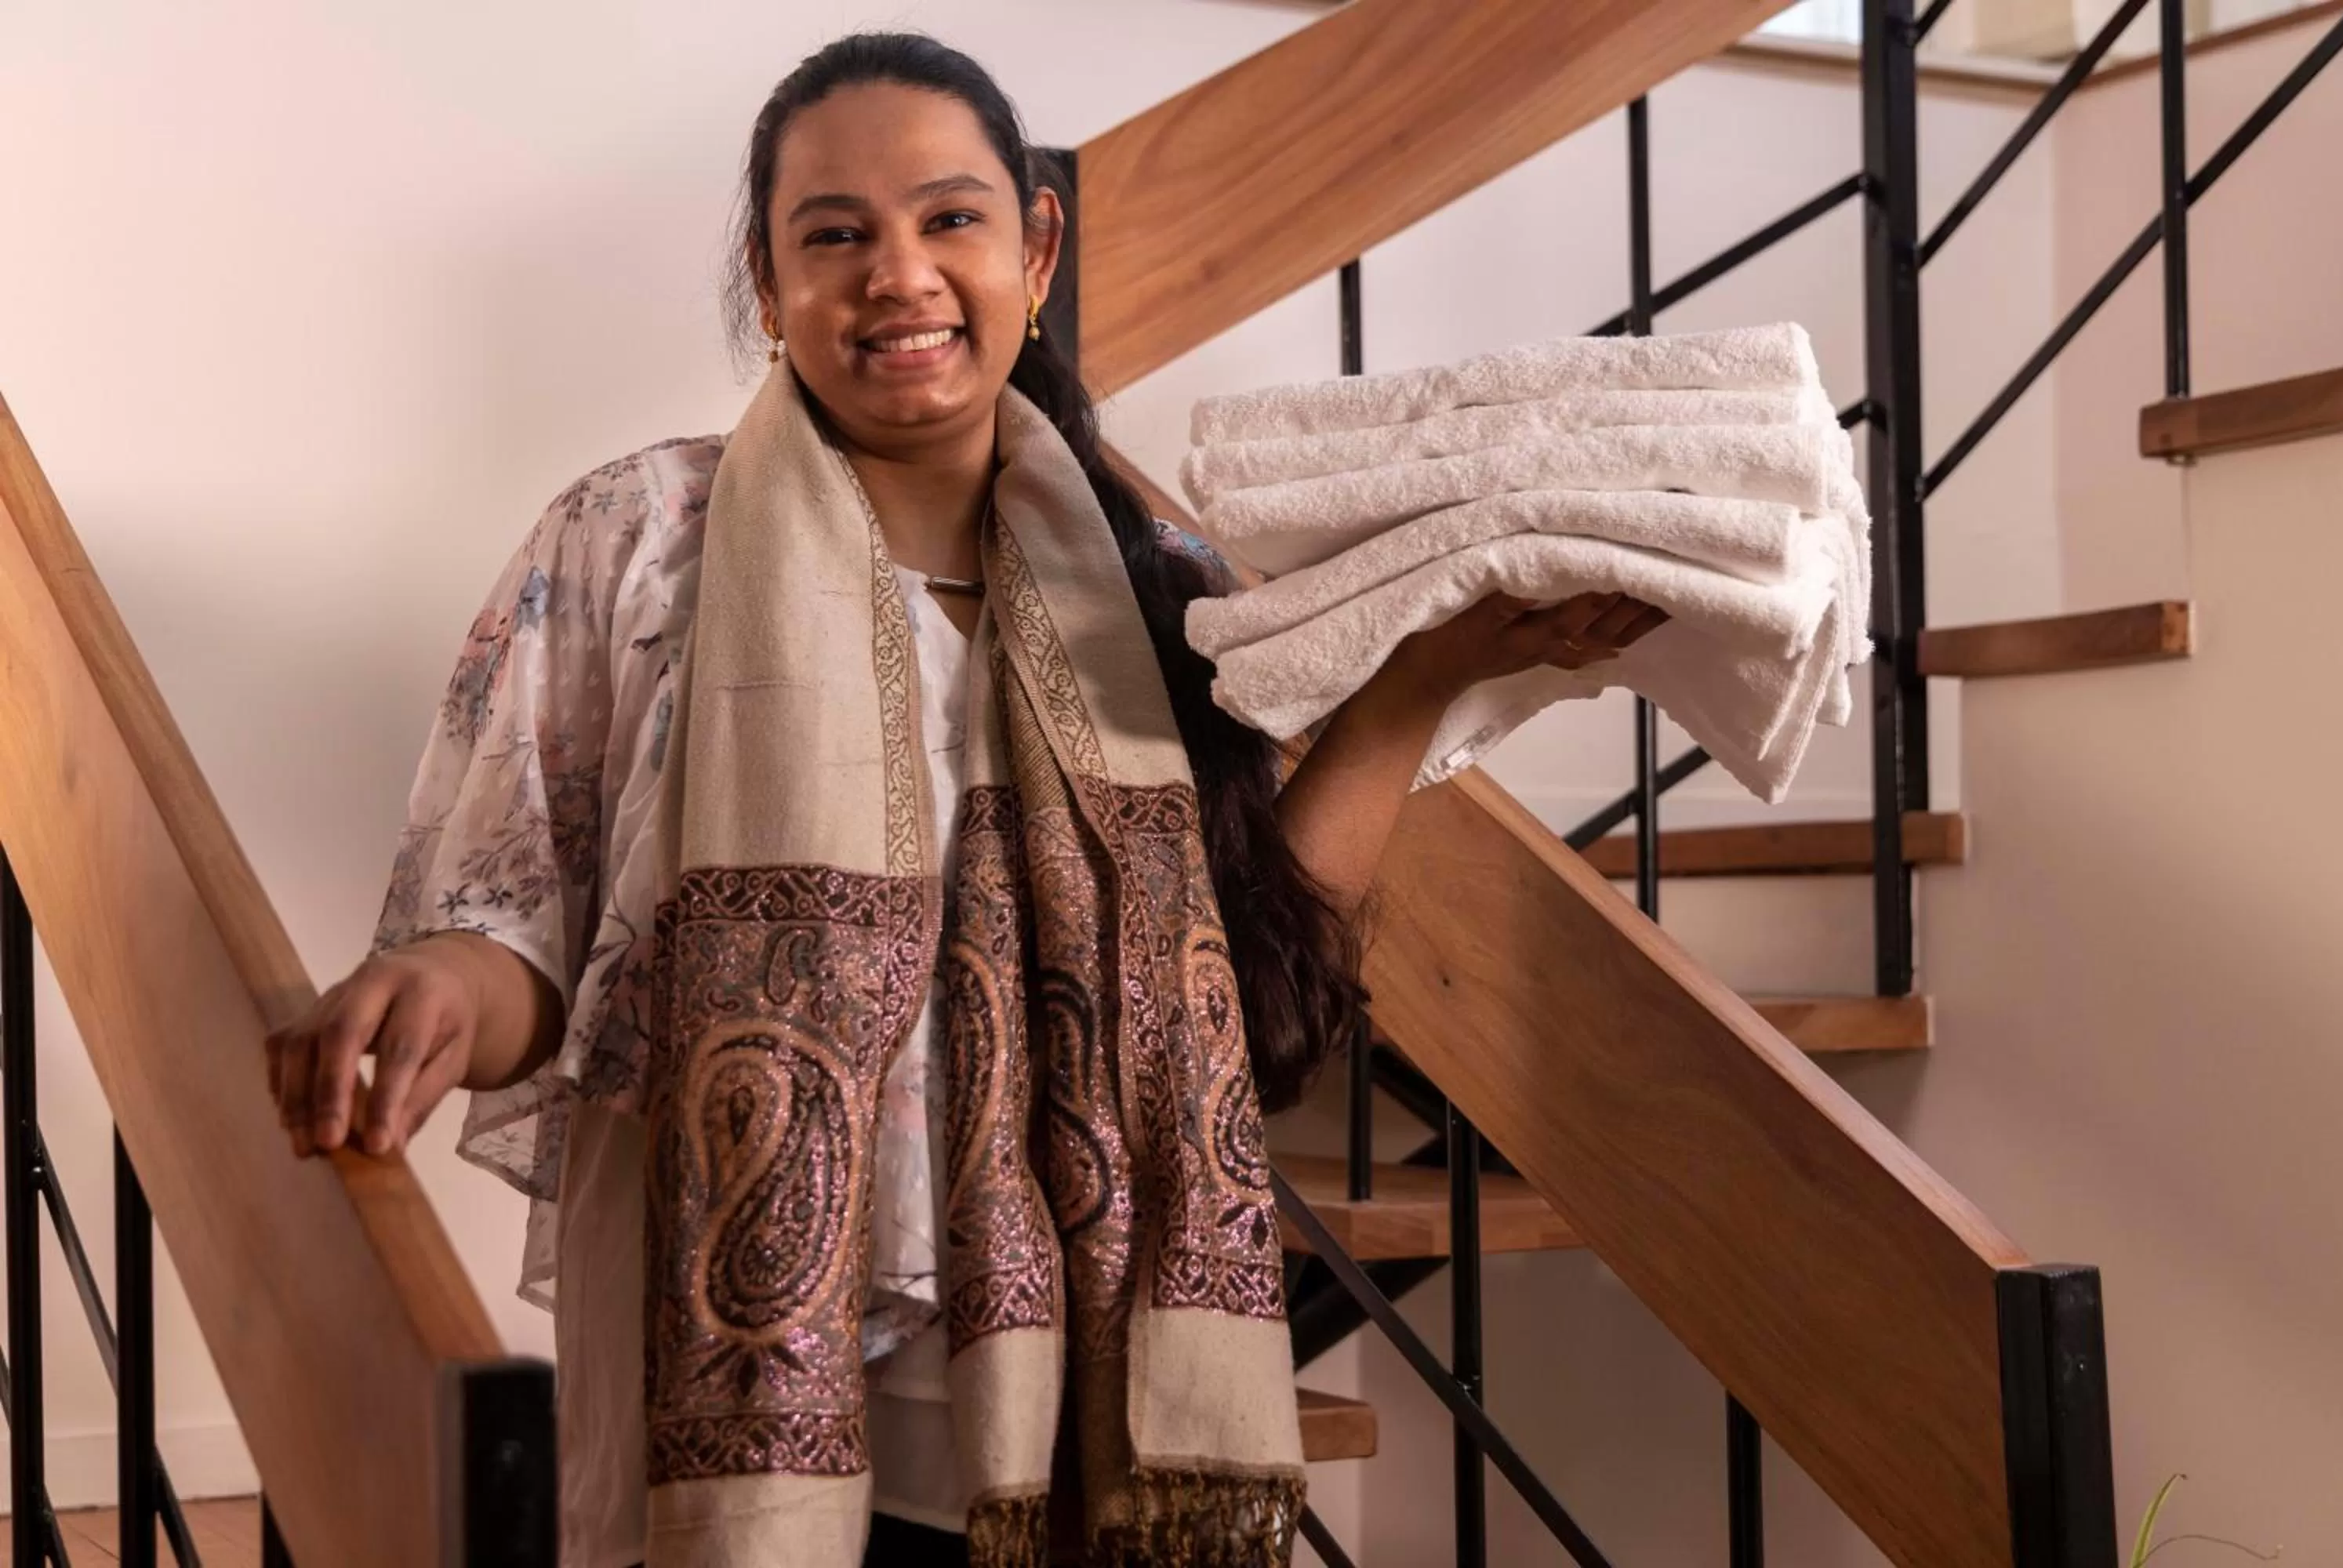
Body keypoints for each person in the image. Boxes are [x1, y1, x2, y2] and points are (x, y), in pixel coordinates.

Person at [263, 31, 1665, 1568]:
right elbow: (523, 935)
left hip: (1070, 1416)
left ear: (1034, 247)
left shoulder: (1160, 589)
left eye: (948, 220)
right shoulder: (640, 545)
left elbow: (1245, 999)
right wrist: (442, 986)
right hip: (739, 1418)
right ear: (769, 271)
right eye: (836, 235)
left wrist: (1418, 682)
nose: (899, 275)